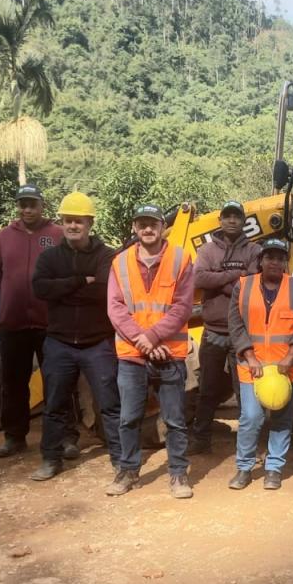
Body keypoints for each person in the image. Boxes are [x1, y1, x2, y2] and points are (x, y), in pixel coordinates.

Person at [29, 192, 121, 484]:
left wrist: (64, 289)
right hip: (59, 343)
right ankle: (50, 459)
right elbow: (41, 289)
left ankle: (121, 460)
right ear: (62, 223)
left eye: (78, 221)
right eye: (68, 220)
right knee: (54, 404)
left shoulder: (106, 255)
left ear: (90, 223)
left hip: (98, 342)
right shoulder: (50, 257)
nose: (73, 226)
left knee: (109, 404)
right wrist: (81, 281)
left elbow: (104, 291)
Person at [106, 203, 196, 499]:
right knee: (129, 417)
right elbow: (115, 308)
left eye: (153, 224)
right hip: (132, 356)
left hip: (169, 353)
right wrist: (142, 340)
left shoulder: (181, 259)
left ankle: (178, 473)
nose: (147, 229)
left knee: (174, 419)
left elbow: (183, 307)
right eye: (142, 224)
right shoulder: (119, 263)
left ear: (161, 227)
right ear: (134, 227)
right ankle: (128, 470)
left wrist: (153, 337)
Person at [0, 184, 80, 460]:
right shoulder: (4, 237)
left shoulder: (56, 235)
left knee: (59, 381)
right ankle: (14, 436)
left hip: (50, 324)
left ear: (43, 206)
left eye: (32, 204)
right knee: (13, 382)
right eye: (22, 204)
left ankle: (66, 436)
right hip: (13, 323)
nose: (27, 209)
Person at [226, 238, 293, 490]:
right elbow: (235, 324)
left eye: (279, 257)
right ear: (261, 260)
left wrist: (289, 356)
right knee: (251, 417)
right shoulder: (242, 286)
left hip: (288, 368)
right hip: (252, 367)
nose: (274, 261)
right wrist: (250, 357)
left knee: (282, 418)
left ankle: (274, 468)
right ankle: (244, 467)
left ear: (285, 261)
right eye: (269, 257)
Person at [190, 201, 261, 453]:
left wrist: (217, 278)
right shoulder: (207, 250)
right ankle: (200, 441)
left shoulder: (254, 250)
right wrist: (233, 276)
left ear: (243, 221)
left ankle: (246, 445)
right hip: (213, 331)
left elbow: (252, 285)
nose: (232, 220)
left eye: (237, 217)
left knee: (244, 393)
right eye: (227, 216)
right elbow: (198, 277)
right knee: (207, 390)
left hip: (242, 334)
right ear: (220, 220)